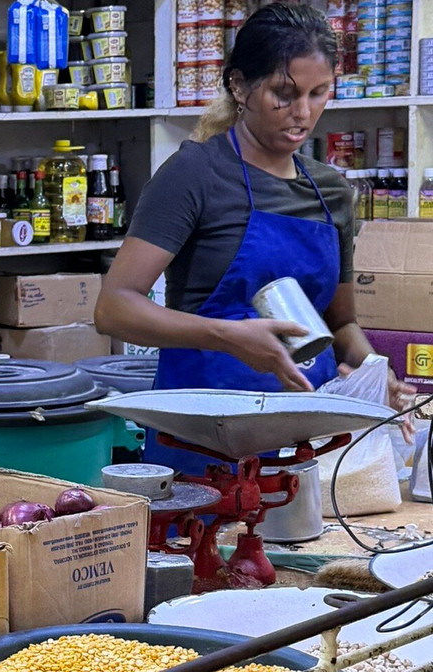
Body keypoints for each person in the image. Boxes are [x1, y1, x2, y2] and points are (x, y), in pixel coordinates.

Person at [94, 2, 414, 473]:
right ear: (239, 85)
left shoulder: (330, 191)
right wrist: (227, 337)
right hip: (202, 445)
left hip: (308, 447)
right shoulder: (195, 174)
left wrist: (372, 372)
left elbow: (340, 325)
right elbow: (113, 308)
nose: (302, 114)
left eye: (318, 93)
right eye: (283, 94)